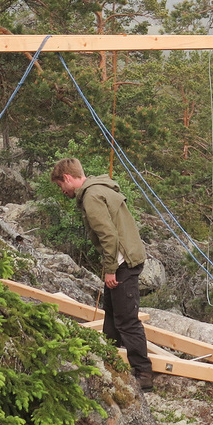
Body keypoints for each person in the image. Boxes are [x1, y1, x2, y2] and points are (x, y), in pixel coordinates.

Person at [51, 157, 153, 390]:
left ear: (67, 178)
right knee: (112, 312)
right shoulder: (100, 189)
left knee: (126, 320)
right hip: (124, 259)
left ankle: (144, 374)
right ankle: (108, 357)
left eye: (60, 186)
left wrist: (110, 270)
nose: (62, 191)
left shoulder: (91, 197)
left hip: (122, 262)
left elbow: (109, 236)